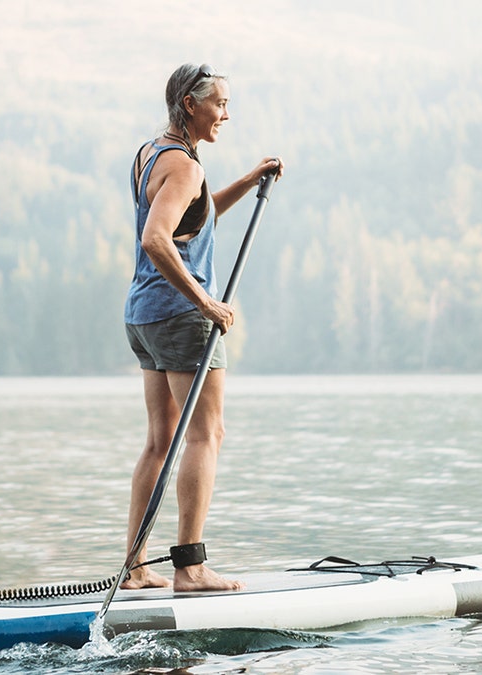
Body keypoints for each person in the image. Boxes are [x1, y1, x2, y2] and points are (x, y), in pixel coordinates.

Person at [121, 63, 284, 592]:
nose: (226, 113)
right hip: (180, 316)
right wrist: (207, 302)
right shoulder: (186, 167)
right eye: (219, 103)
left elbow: (197, 216)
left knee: (158, 441)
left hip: (144, 314)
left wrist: (247, 180)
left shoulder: (152, 154)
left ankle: (137, 566)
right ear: (190, 105)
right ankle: (189, 567)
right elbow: (156, 238)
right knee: (206, 434)